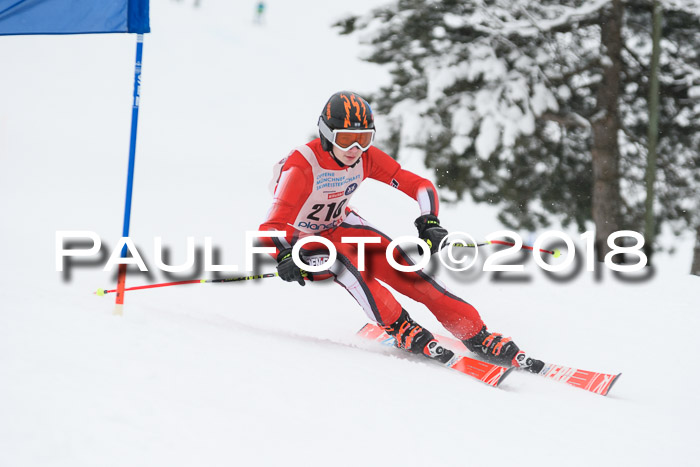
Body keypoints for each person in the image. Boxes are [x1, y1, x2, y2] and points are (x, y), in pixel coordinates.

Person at [258, 91, 543, 373]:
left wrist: (429, 220)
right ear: (326, 133)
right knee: (345, 265)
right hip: (302, 239)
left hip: (342, 226)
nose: (355, 148)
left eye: (364, 138)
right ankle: (399, 325)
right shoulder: (302, 165)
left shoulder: (365, 158)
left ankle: (477, 335)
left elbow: (419, 185)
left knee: (407, 270)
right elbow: (271, 227)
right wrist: (283, 255)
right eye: (346, 138)